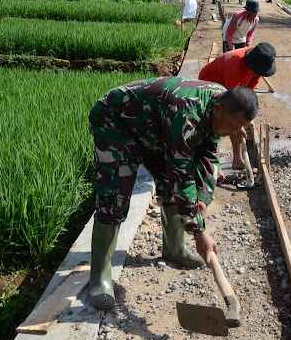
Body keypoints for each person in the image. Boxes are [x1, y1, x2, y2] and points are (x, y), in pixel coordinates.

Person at [88, 77, 258, 310]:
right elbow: (182, 174)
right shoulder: (187, 114)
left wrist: (204, 199)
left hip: (152, 126)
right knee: (115, 195)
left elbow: (208, 155)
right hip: (115, 121)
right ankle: (99, 277)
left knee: (169, 182)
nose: (235, 133)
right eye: (233, 126)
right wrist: (199, 232)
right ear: (218, 110)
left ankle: (174, 248)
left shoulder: (222, 99)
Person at [199, 42, 276, 172]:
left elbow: (248, 91)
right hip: (210, 81)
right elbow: (231, 107)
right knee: (219, 123)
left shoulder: (257, 60)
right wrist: (239, 126)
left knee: (236, 122)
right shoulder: (235, 68)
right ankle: (216, 166)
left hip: (228, 83)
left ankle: (237, 160)